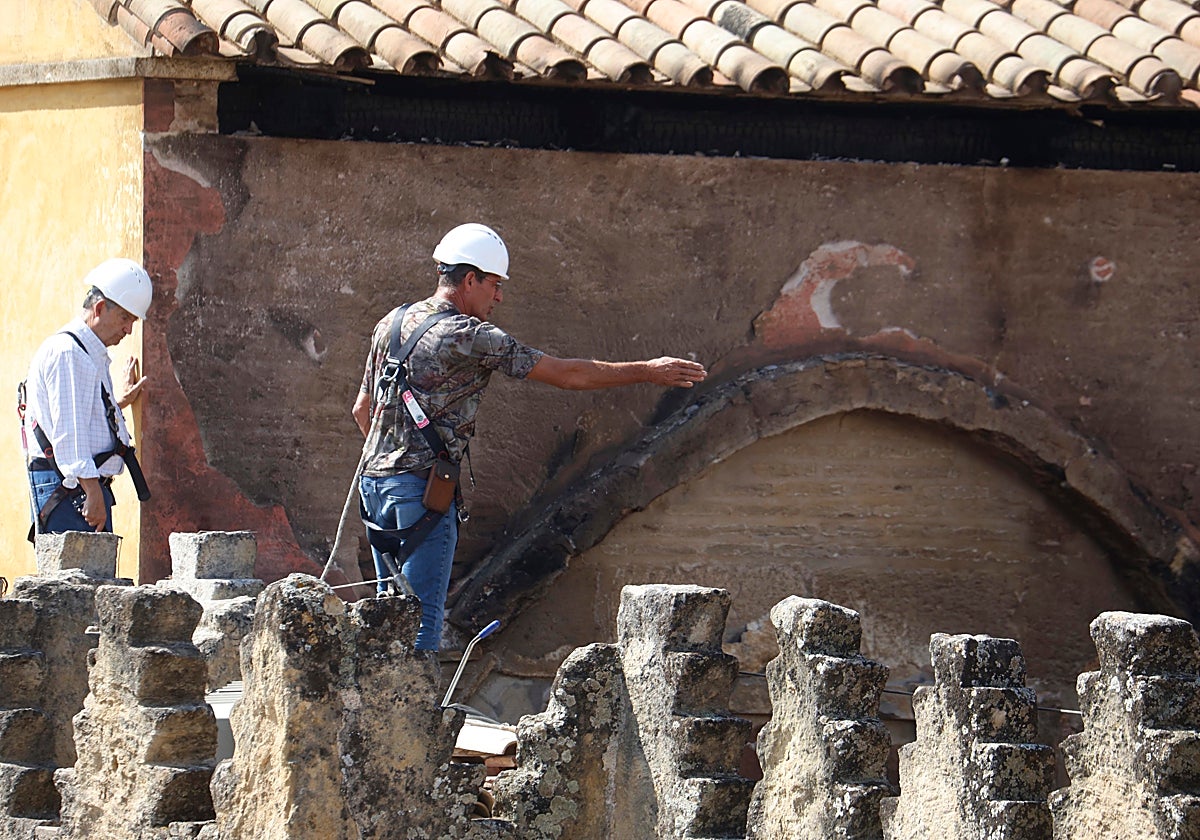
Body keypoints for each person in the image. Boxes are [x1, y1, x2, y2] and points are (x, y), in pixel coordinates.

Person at [353, 223, 707, 651]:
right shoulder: (469, 335)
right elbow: (568, 374)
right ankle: (413, 715)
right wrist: (648, 371)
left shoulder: (390, 323)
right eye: (495, 285)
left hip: (374, 488)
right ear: (470, 280)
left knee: (386, 622)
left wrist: (393, 461)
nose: (499, 297)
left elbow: (361, 411)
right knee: (421, 627)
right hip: (421, 494)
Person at [23, 258, 152, 537]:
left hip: (79, 488)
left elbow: (78, 416)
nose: (129, 329)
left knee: (93, 580)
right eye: (125, 318)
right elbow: (70, 432)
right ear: (100, 308)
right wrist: (92, 491)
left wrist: (120, 404)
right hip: (75, 489)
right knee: (79, 580)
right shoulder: (69, 353)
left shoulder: (84, 352)